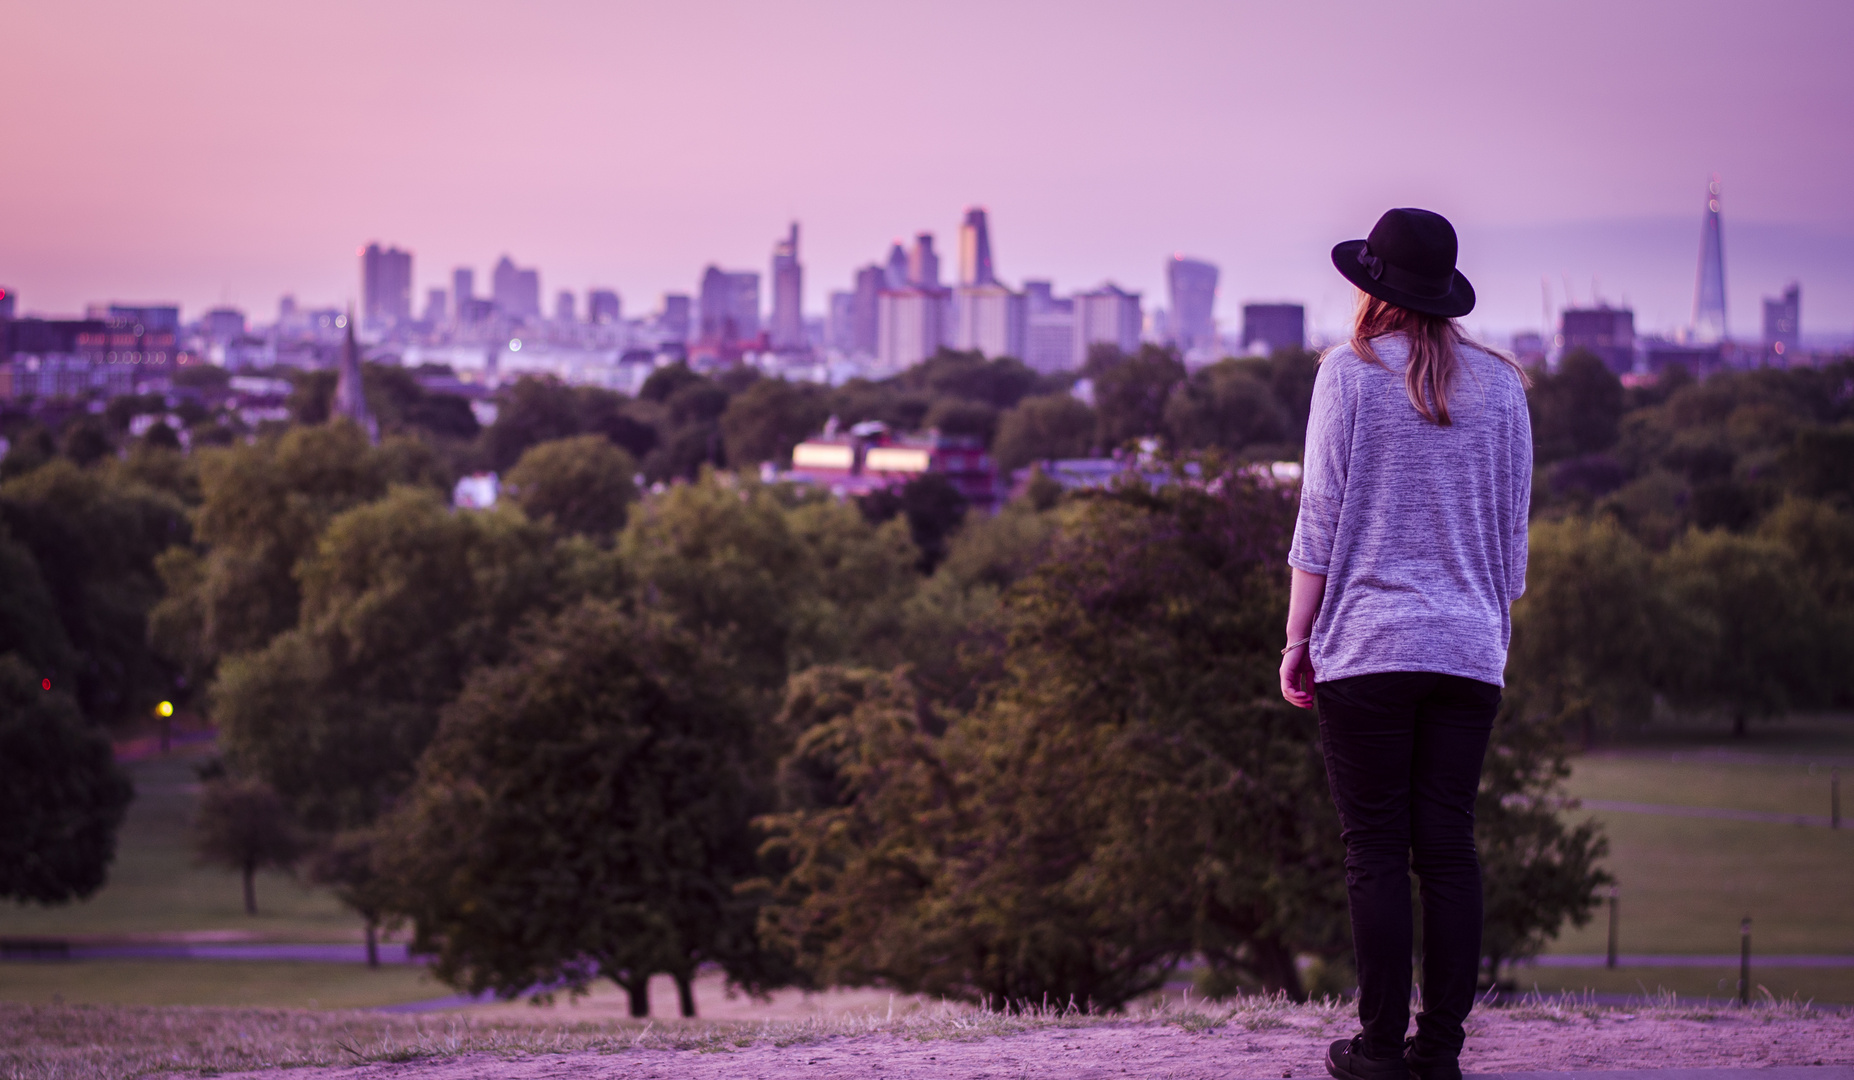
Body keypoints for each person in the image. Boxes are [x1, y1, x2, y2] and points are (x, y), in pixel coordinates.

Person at [1279, 208, 1532, 1080]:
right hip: (1469, 649)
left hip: (1368, 646)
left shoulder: (1347, 377)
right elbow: (1511, 548)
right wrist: (1478, 628)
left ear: (1373, 285)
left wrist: (1296, 637)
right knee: (1449, 848)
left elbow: (1321, 523)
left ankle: (1380, 1048)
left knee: (1377, 852)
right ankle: (1441, 1054)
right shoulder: (1504, 387)